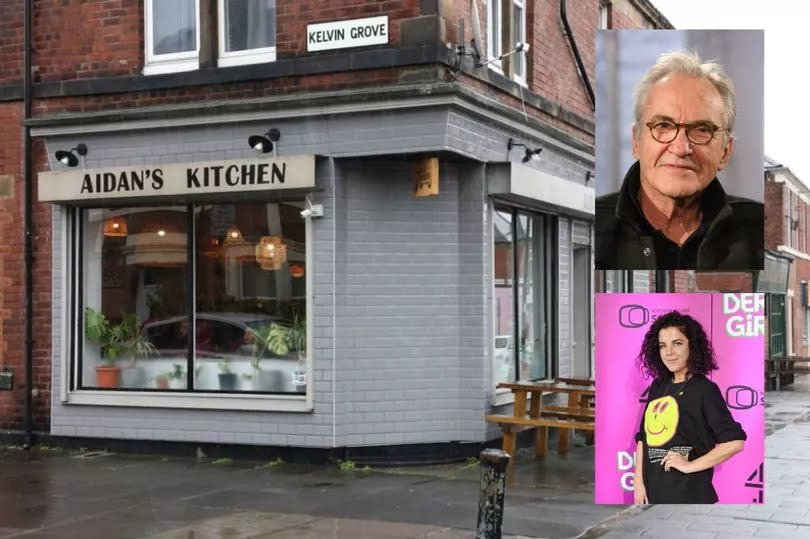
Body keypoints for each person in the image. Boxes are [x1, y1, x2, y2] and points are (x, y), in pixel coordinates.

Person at [596, 50, 763, 270]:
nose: (681, 148)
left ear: (725, 151)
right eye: (663, 126)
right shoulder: (595, 224)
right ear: (637, 141)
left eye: (702, 130)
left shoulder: (758, 229)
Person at [633, 311, 746, 504]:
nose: (669, 352)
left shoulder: (705, 390)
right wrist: (638, 483)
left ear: (691, 346)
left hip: (690, 495)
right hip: (654, 492)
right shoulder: (658, 386)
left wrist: (689, 466)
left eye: (677, 343)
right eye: (662, 345)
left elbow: (735, 442)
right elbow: (644, 437)